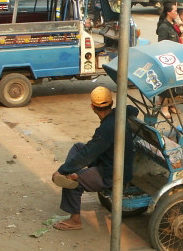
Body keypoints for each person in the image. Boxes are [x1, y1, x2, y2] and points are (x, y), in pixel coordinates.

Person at [51, 86, 135, 231]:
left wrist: (61, 170)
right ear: (111, 103)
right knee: (78, 146)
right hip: (111, 159)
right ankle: (70, 174)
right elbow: (134, 110)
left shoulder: (106, 130)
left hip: (111, 172)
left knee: (73, 183)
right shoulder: (119, 114)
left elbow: (89, 154)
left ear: (92, 107)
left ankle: (75, 220)